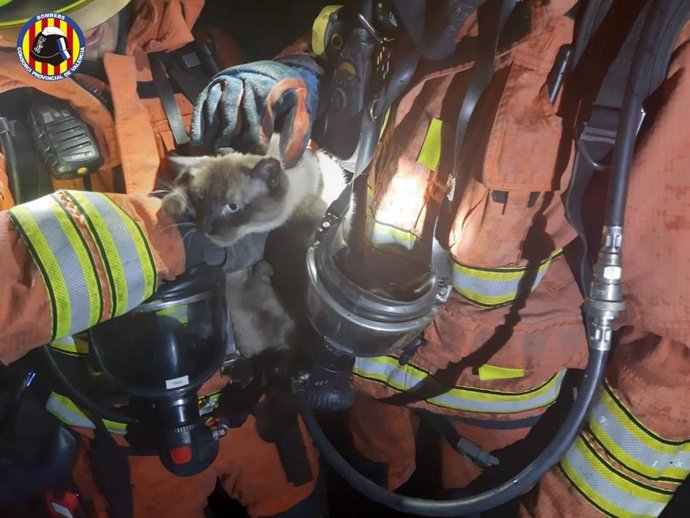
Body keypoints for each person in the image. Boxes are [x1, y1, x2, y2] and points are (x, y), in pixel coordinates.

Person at [189, 0, 690, 516]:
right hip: (358, 368)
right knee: (370, 487)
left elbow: (673, 355)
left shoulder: (653, 33)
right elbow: (354, 42)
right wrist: (300, 77)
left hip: (493, 414)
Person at [0, 1, 321, 517]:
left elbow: (294, 140)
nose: (90, 27)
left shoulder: (206, 56)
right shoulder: (5, 110)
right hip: (114, 424)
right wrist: (168, 237)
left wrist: (298, 79)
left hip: (252, 391)